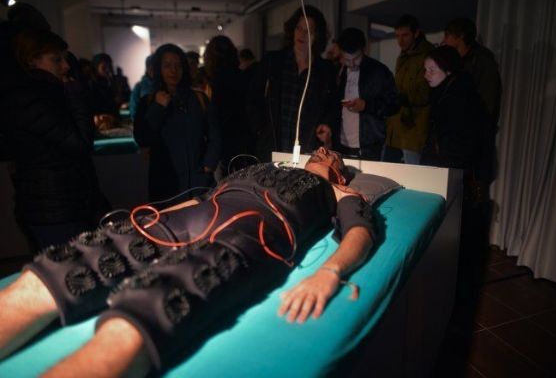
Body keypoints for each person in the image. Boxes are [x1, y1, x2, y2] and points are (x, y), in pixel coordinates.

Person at [0, 147, 375, 377]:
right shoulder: (267, 166)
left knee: (145, 313)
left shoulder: (339, 190)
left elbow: (361, 231)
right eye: (320, 149)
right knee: (66, 270)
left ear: (339, 170)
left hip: (250, 235)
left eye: (331, 153)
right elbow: (201, 200)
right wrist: (141, 224)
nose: (321, 150)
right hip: (193, 216)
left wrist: (331, 271)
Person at [0, 29, 108, 251]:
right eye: (56, 60)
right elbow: (80, 144)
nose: (65, 66)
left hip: (62, 205)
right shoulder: (31, 99)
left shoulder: (40, 94)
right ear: (32, 60)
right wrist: (77, 97)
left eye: (64, 59)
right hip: (56, 210)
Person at [420, 45, 493, 301]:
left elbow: (466, 142)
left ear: (448, 70)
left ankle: (455, 280)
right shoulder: (447, 92)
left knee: (457, 225)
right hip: (448, 168)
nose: (426, 75)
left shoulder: (460, 97)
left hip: (456, 170)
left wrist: (442, 167)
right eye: (425, 69)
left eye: (432, 70)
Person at [246, 5, 337, 162]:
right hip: (272, 145)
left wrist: (327, 125)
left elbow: (332, 106)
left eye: (309, 31)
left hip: (308, 148)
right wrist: (261, 129)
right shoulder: (273, 61)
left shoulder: (325, 70)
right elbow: (253, 98)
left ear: (317, 36)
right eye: (299, 28)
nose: (302, 34)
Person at [134, 43, 221, 202]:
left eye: (178, 65)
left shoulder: (199, 99)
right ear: (159, 68)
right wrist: (158, 108)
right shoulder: (148, 102)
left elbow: (215, 135)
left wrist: (209, 164)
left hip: (199, 182)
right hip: (166, 185)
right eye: (167, 65)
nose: (173, 71)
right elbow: (142, 138)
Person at [333, 27, 399, 160]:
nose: (352, 64)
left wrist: (366, 105)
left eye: (356, 58)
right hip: (340, 142)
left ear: (364, 50)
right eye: (347, 59)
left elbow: (394, 104)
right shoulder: (337, 71)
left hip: (370, 144)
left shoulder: (379, 71)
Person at [384, 14, 434, 165]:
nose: (400, 40)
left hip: (414, 129)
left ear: (416, 33)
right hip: (399, 127)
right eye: (397, 36)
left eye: (405, 35)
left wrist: (399, 96)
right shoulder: (404, 56)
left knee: (412, 171)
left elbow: (425, 92)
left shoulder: (427, 55)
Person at [443, 18, 502, 128]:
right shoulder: (456, 59)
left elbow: (487, 103)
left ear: (460, 36)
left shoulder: (483, 63)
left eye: (447, 35)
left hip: (471, 130)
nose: (444, 40)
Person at [204, 35, 248, 173]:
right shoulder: (242, 76)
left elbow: (216, 115)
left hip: (223, 142)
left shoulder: (216, 80)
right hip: (243, 139)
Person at [129, 54, 154, 119]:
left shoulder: (165, 85)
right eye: (150, 66)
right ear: (147, 68)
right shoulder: (139, 87)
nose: (153, 70)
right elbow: (134, 110)